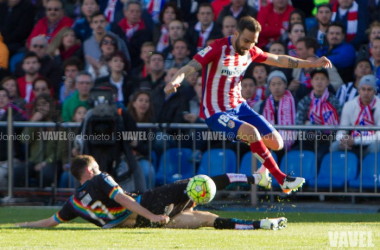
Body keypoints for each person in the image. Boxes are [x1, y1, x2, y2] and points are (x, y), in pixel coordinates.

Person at [164, 16, 333, 194]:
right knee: (252, 133)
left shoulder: (251, 51)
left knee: (277, 143)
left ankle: (262, 174)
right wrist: (176, 80)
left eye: (253, 42)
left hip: (239, 106)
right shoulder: (217, 48)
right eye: (246, 40)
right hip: (216, 112)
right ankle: (281, 179)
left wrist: (312, 63)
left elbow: (278, 59)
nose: (249, 46)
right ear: (235, 33)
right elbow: (189, 67)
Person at [16, 155, 286, 230]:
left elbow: (50, 221)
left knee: (204, 218)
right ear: (89, 171)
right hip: (148, 206)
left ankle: (259, 225)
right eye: (96, 167)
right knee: (199, 180)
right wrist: (154, 216)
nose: (99, 169)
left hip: (138, 223)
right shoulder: (100, 179)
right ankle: (255, 177)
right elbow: (123, 199)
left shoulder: (75, 202)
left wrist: (23, 224)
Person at [332, 74, 380, 157]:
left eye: (369, 89)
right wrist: (343, 141)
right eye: (363, 89)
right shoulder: (349, 105)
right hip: (352, 143)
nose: (366, 93)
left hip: (369, 143)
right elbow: (341, 131)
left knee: (377, 146)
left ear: (375, 91)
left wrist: (355, 140)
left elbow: (379, 136)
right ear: (359, 90)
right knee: (335, 146)